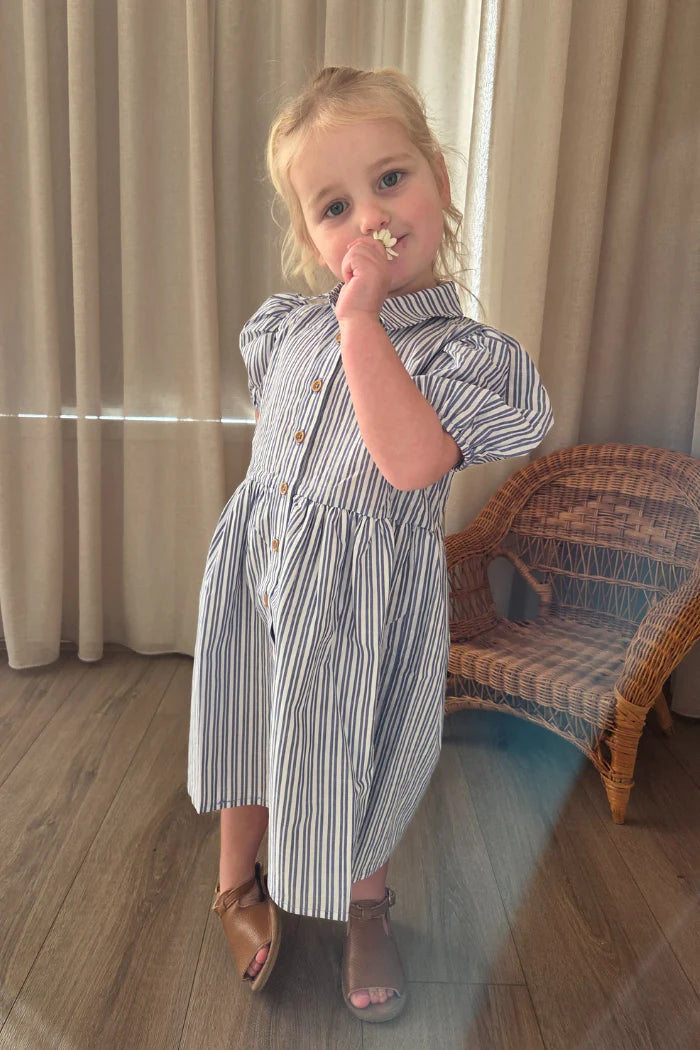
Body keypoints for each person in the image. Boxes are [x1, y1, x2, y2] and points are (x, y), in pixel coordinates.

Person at [187, 65, 553, 1023]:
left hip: (365, 603)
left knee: (362, 754)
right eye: (335, 206)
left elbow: (407, 460)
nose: (370, 218)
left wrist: (361, 320)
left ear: (439, 179)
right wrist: (339, 321)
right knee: (250, 723)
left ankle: (366, 905)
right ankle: (236, 881)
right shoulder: (288, 328)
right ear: (311, 238)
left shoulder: (463, 356)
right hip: (263, 569)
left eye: (391, 179)